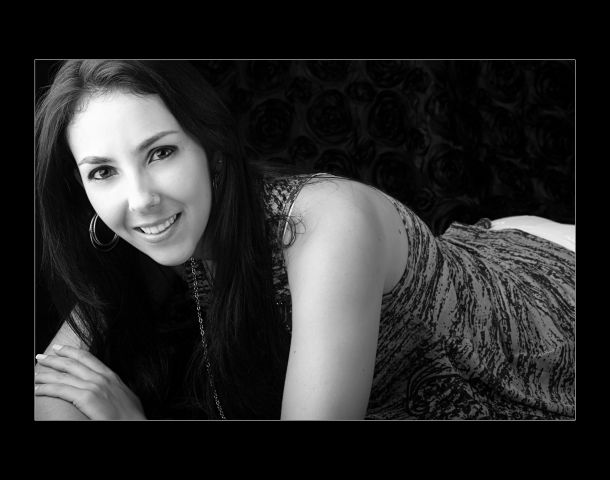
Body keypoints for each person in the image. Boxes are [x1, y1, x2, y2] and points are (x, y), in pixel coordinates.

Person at [34, 60, 575, 420]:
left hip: (542, 320)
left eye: (160, 153)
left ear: (210, 147)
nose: (141, 199)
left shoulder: (323, 226)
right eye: (103, 172)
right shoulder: (141, 238)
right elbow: (52, 389)